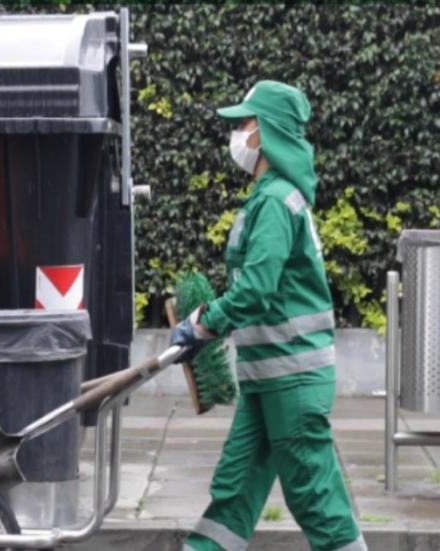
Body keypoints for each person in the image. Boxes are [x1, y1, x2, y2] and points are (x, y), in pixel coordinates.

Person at [170, 81, 366, 551]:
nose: (237, 134)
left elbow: (257, 289)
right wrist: (209, 314)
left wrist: (205, 323)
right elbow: (256, 286)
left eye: (244, 125)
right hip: (268, 378)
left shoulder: (276, 202)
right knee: (234, 490)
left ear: (267, 132)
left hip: (292, 380)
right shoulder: (269, 199)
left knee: (317, 501)